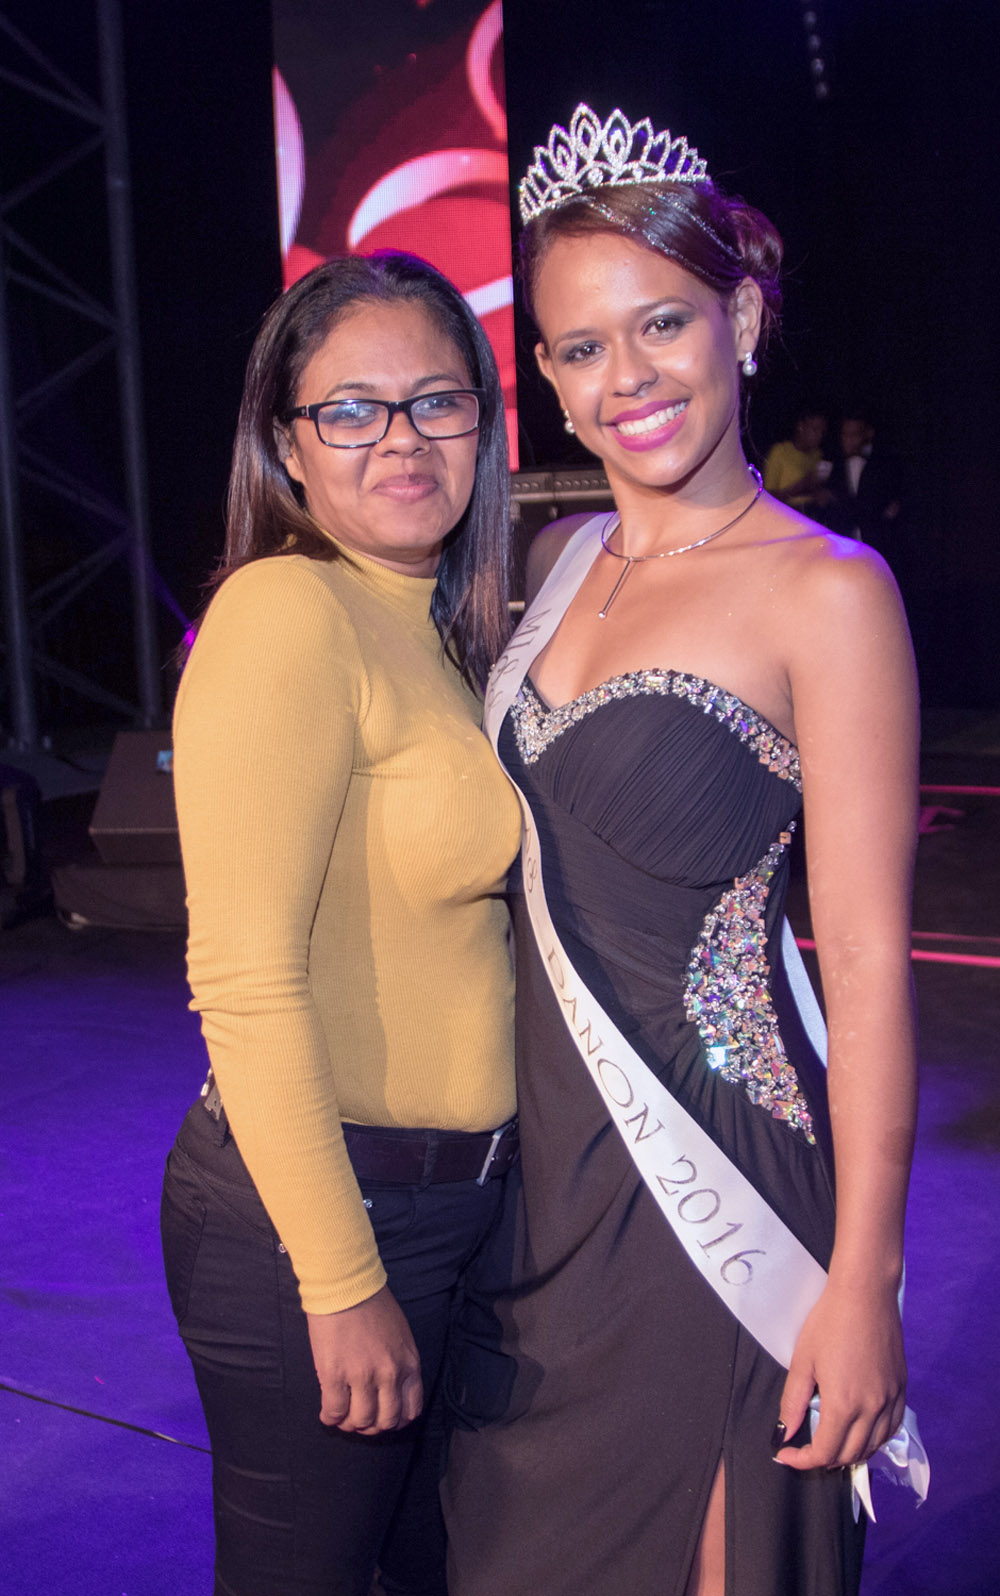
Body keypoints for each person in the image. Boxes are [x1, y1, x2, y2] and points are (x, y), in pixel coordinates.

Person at [443, 105, 922, 1596]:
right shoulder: (555, 560)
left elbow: (866, 962)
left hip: (720, 1182)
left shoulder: (827, 594)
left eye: (663, 322)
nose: (629, 376)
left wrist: (864, 1281)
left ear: (744, 318)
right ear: (547, 376)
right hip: (543, 1190)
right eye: (584, 347)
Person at [160, 251, 522, 1596]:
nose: (403, 439)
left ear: (482, 423)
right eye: (352, 410)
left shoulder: (431, 633)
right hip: (322, 1220)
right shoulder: (287, 610)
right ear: (287, 444)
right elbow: (244, 979)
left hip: (453, 1211)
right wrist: (340, 1279)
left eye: (437, 401)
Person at [827, 411, 903, 556]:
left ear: (868, 433)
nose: (848, 440)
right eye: (844, 435)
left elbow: (885, 506)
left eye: (854, 435)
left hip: (878, 544)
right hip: (842, 544)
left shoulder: (883, 465)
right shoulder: (834, 465)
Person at [763, 407, 835, 515]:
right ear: (801, 427)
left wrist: (821, 494)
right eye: (815, 429)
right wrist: (800, 485)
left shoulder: (817, 455)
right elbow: (768, 498)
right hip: (786, 514)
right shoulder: (780, 451)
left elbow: (813, 489)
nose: (819, 435)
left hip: (812, 513)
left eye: (822, 431)